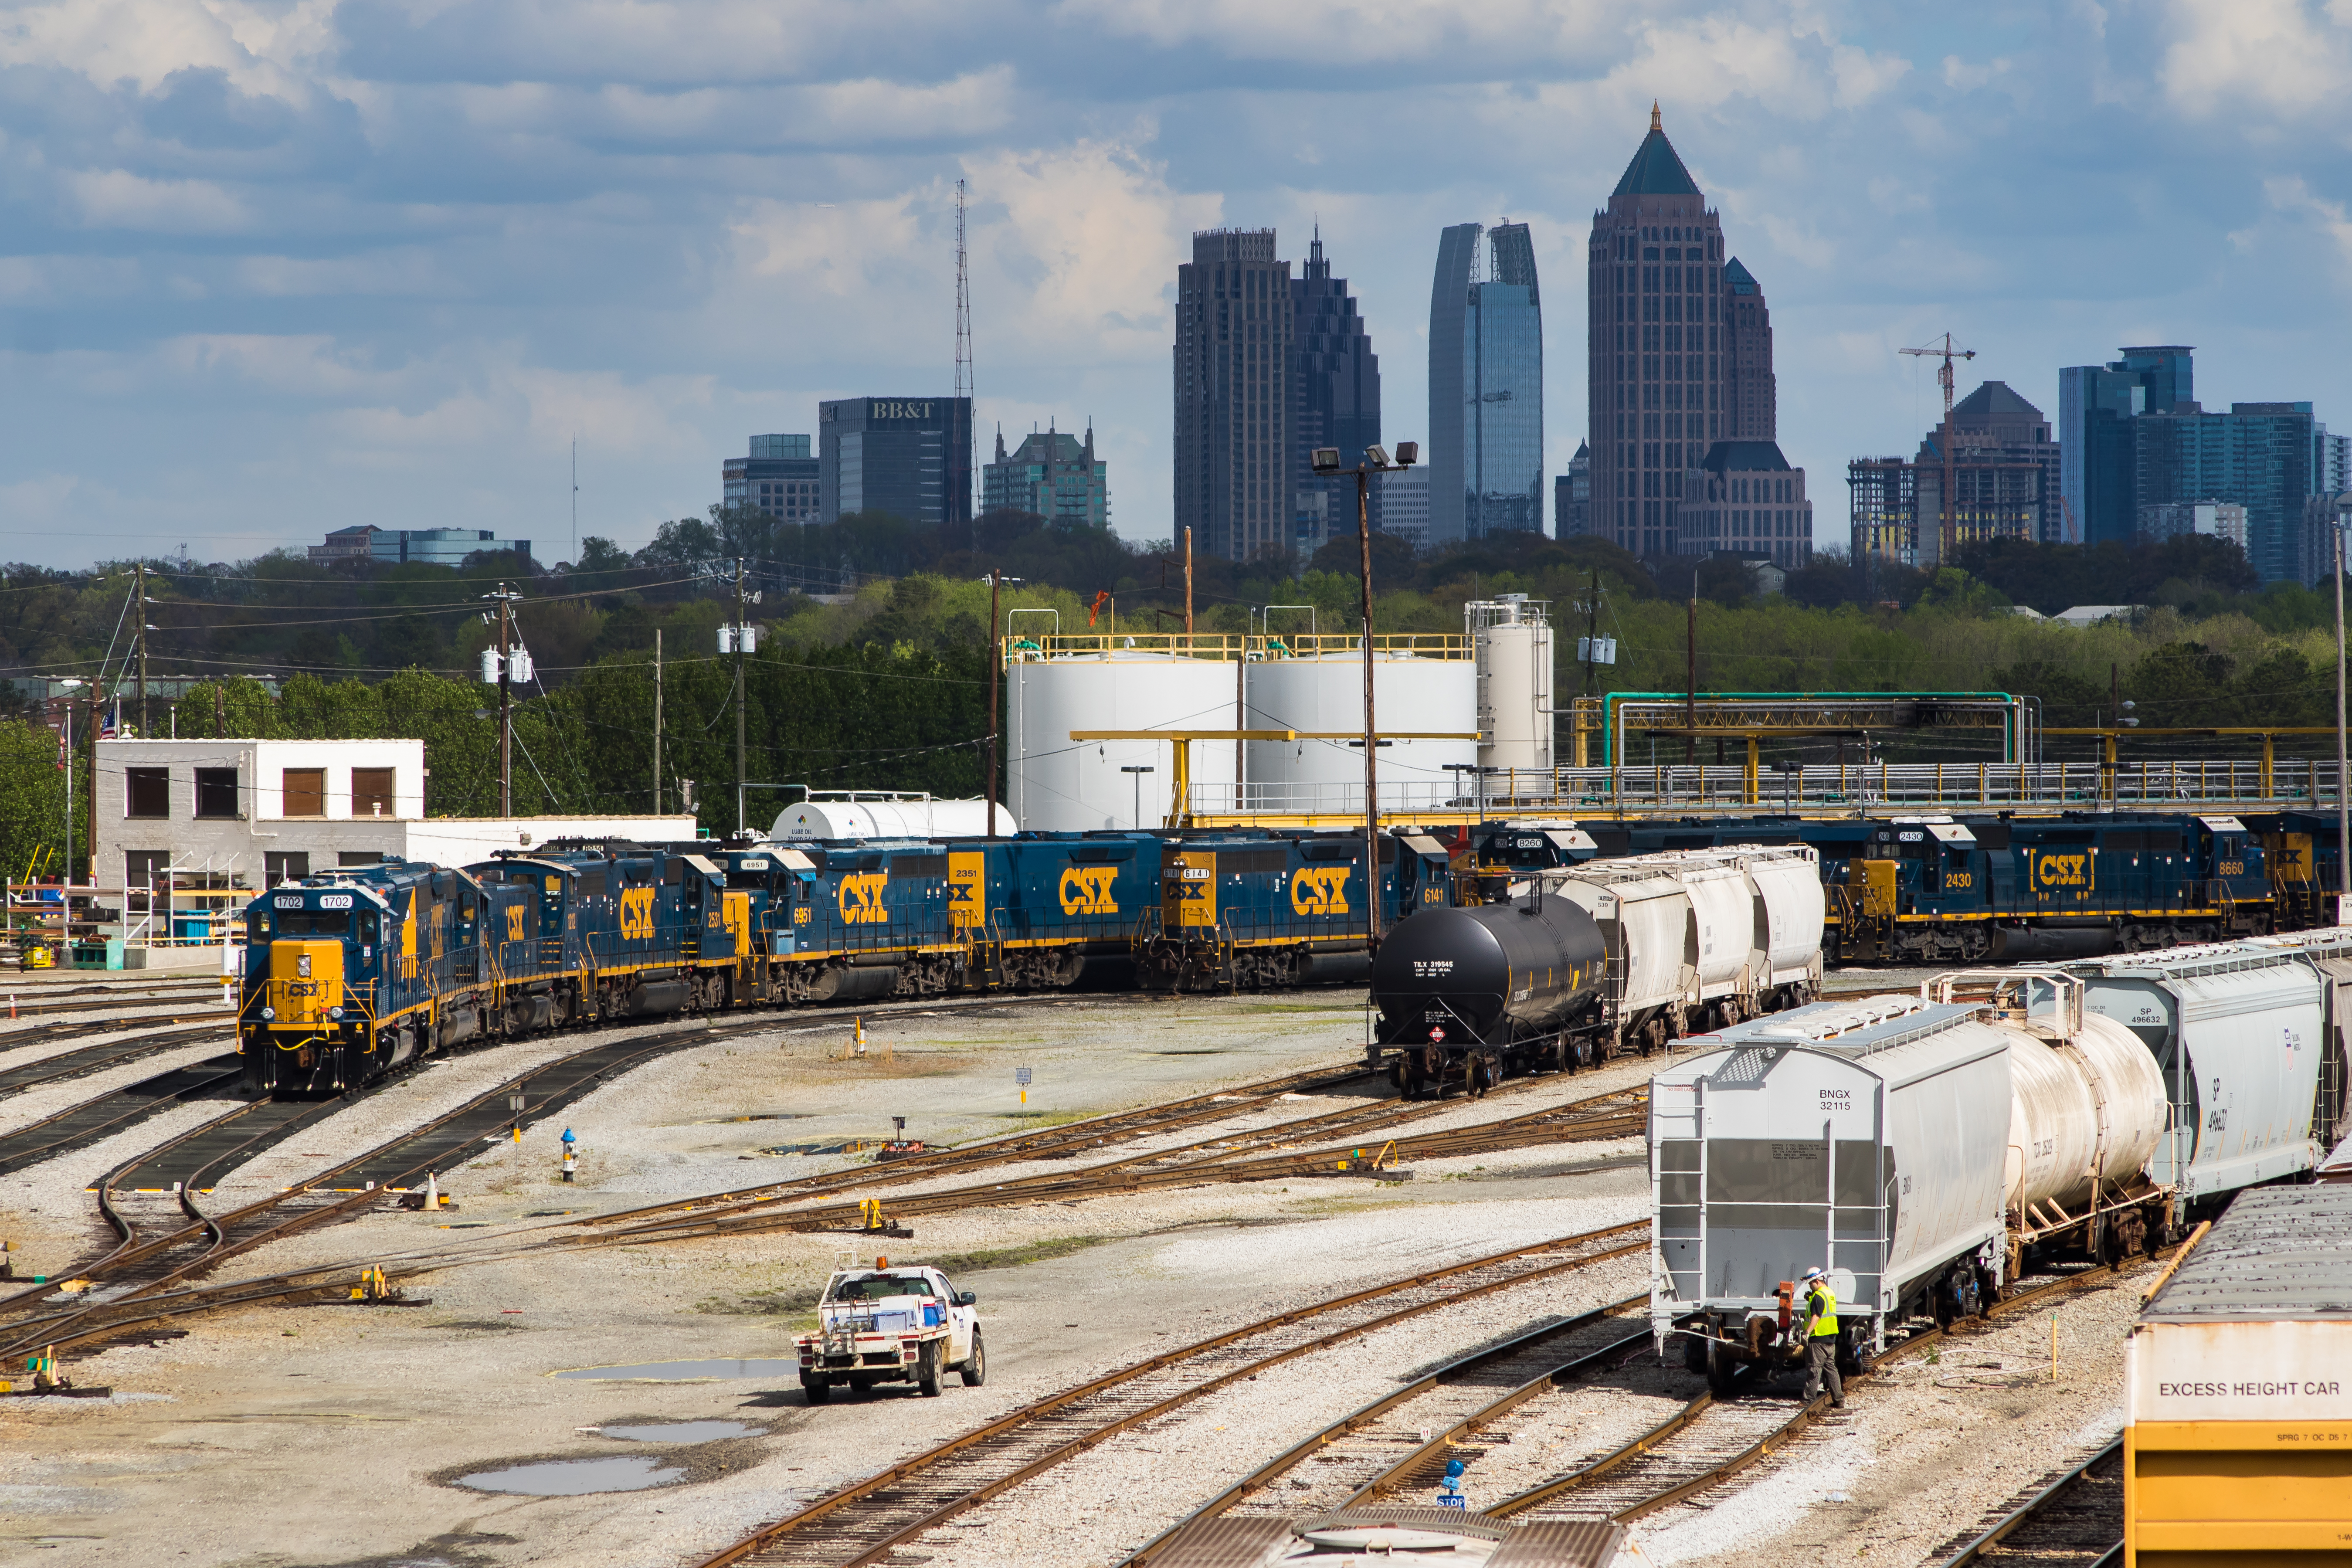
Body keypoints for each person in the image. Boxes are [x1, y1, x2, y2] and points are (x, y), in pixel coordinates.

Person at [1800, 1266, 1844, 1408]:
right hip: (1830, 1338)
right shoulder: (1829, 1293)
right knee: (1831, 1370)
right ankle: (1839, 1400)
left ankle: (1808, 1401)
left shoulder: (1819, 1296)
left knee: (1814, 1369)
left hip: (1818, 1338)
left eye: (1810, 1283)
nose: (1810, 1286)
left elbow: (1817, 1316)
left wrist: (1807, 1333)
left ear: (1817, 1281)